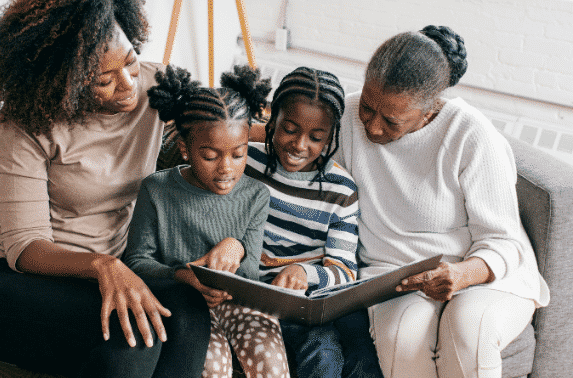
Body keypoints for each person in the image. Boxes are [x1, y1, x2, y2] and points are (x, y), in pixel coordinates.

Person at [0, 1, 211, 377]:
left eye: (131, 61)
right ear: (64, 81)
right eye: (105, 80)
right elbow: (24, 247)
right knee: (132, 333)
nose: (128, 84)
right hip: (4, 279)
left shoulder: (162, 89)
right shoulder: (28, 121)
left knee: (187, 310)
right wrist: (104, 266)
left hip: (98, 277)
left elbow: (226, 120)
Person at [332, 25, 550, 378]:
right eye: (369, 109)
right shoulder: (349, 114)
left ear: (431, 109)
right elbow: (290, 140)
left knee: (468, 330)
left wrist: (463, 274)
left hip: (483, 271)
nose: (372, 127)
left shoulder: (470, 134)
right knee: (401, 339)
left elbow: (505, 241)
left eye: (391, 120)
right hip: (395, 276)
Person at [121, 65, 291, 378]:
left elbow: (252, 271)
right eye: (211, 156)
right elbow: (136, 262)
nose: (226, 167)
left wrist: (235, 246)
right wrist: (184, 275)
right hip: (184, 303)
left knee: (269, 360)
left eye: (238, 154)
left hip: (240, 303)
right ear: (185, 149)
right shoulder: (156, 190)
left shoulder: (255, 195)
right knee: (211, 366)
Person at [244, 66, 383, 378]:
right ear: (272, 118)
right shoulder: (244, 161)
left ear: (330, 137)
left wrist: (304, 273)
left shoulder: (340, 190)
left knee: (330, 352)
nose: (299, 145)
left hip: (301, 303)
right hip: (247, 291)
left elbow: (345, 272)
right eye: (289, 129)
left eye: (316, 137)